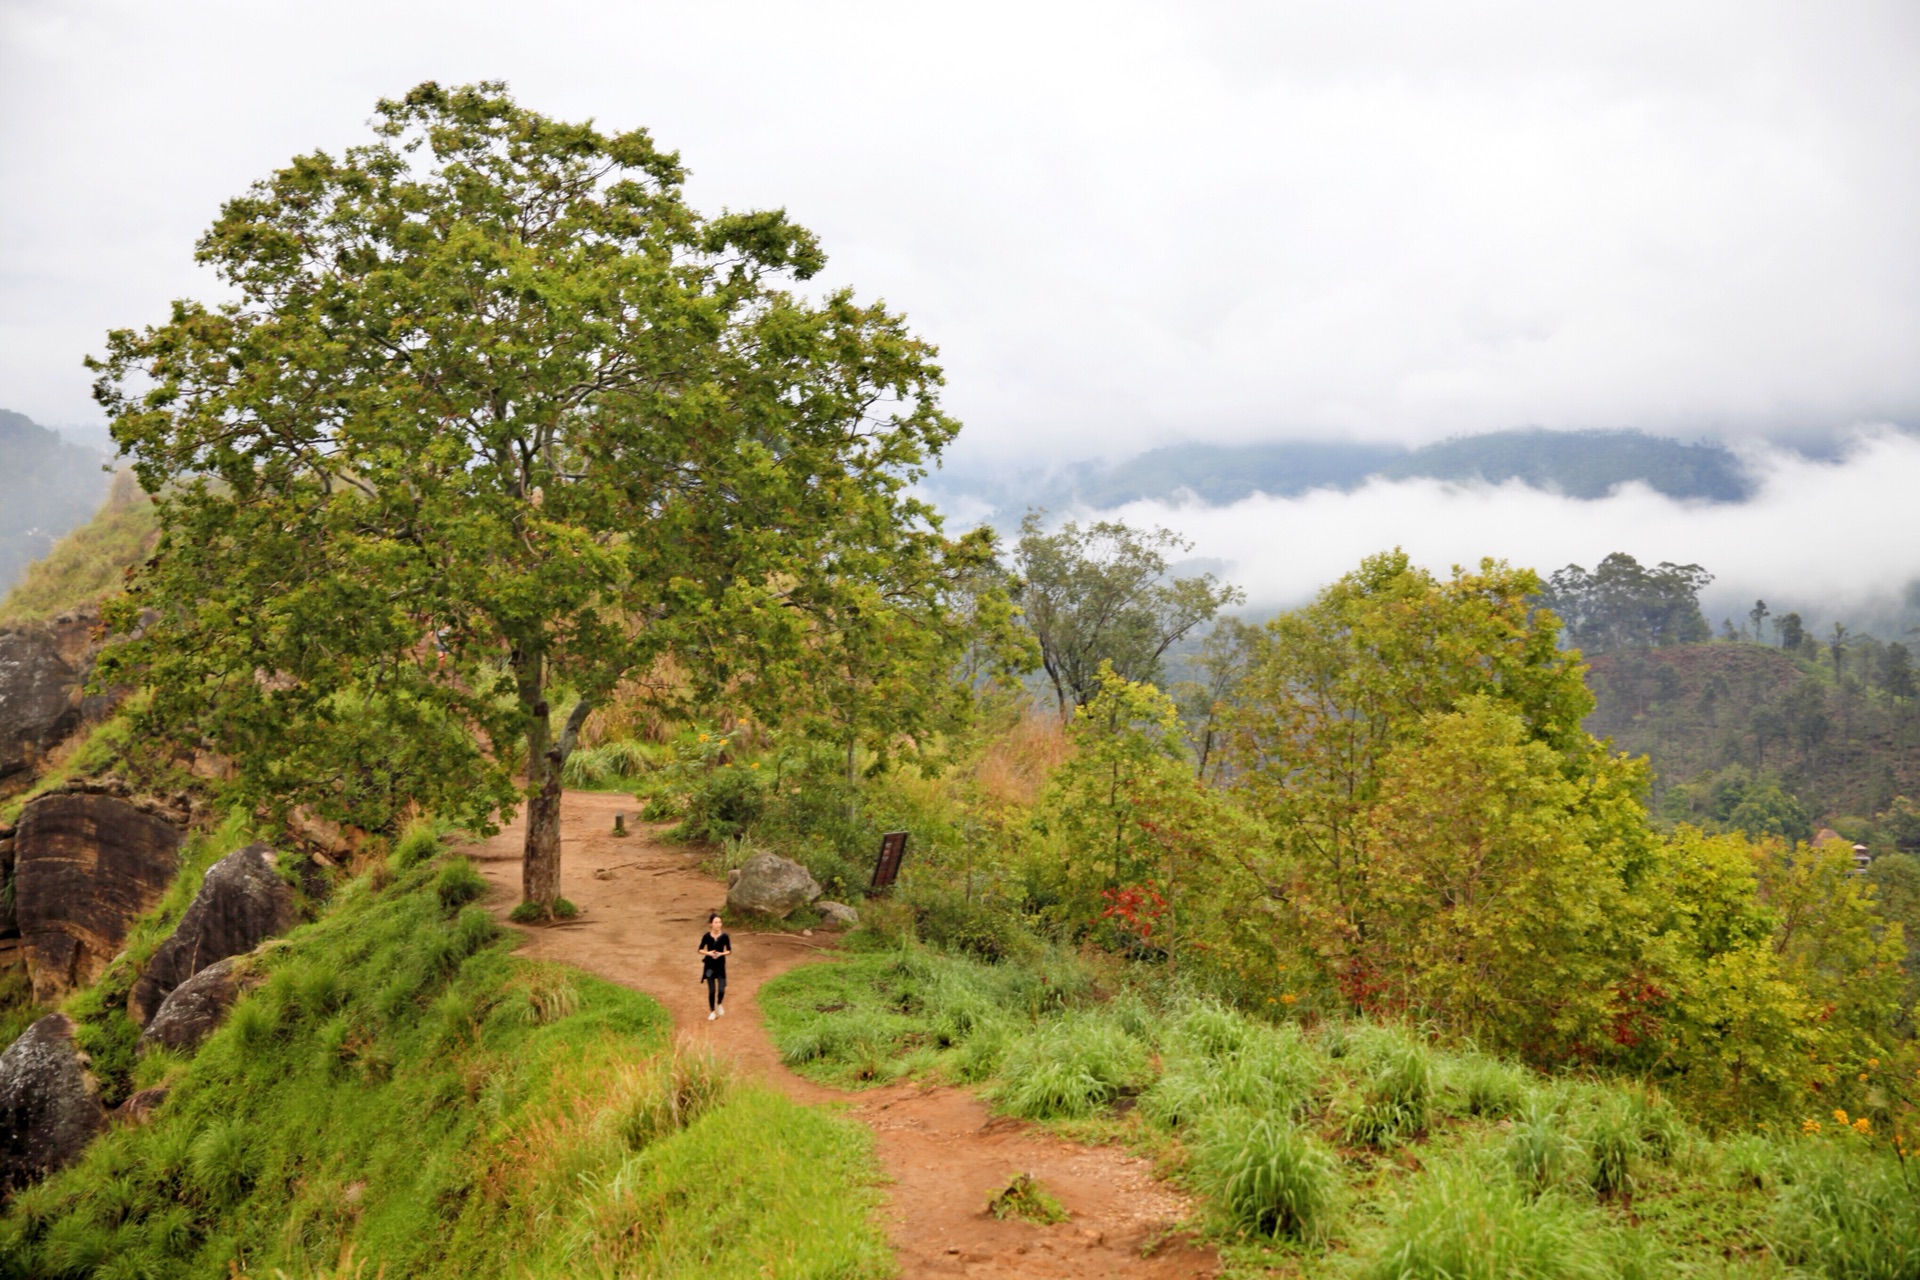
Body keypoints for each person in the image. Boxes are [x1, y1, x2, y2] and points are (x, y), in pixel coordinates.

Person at [698, 912, 731, 1021]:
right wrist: (709, 953)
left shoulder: (725, 936)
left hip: (721, 966)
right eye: (716, 922)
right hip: (709, 967)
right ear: (711, 924)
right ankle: (712, 1011)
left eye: (720, 922)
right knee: (712, 990)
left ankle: (719, 1003)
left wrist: (721, 954)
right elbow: (700, 949)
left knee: (721, 989)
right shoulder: (706, 937)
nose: (718, 924)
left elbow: (729, 950)